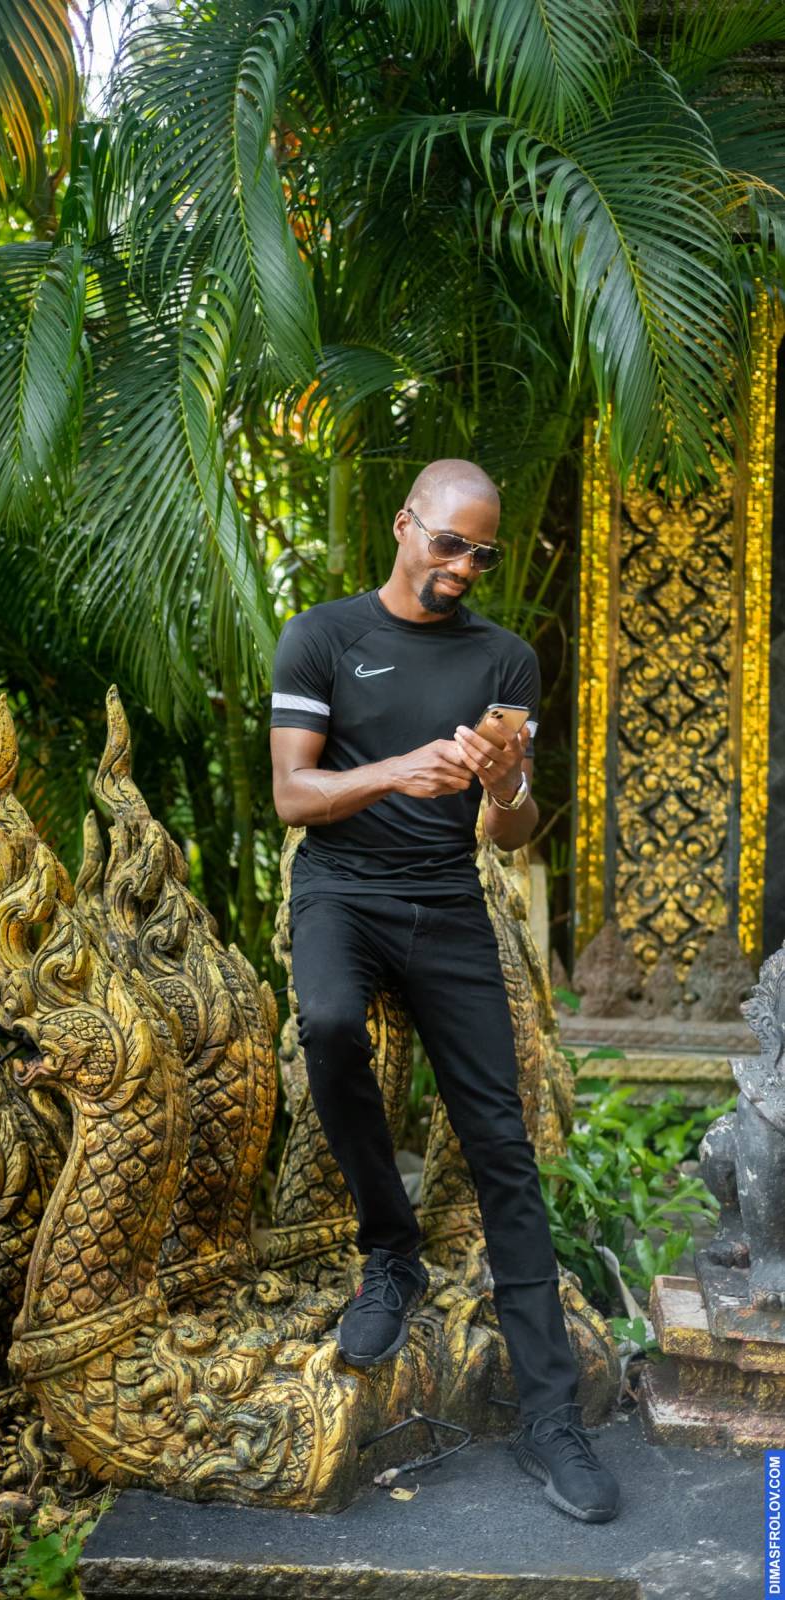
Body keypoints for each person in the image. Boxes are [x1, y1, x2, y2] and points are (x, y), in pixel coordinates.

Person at [269, 458, 620, 1524]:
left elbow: (511, 831)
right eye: (449, 543)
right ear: (403, 525)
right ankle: (392, 1251)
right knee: (331, 1023)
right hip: (341, 889)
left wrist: (503, 783)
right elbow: (293, 795)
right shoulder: (322, 636)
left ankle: (551, 1421)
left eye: (483, 553)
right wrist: (397, 769)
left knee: (501, 1142)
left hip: (445, 897)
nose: (463, 566)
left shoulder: (503, 658)